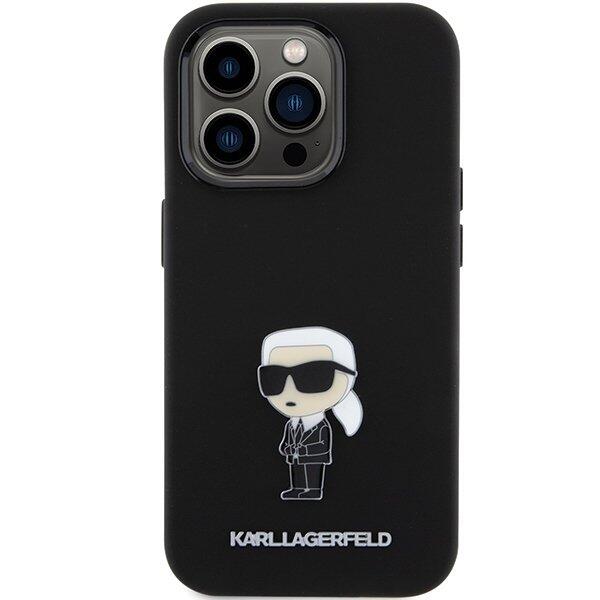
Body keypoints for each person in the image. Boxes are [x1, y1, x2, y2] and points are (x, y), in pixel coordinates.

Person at [257, 326, 363, 500]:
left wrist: (304, 449)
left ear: (346, 379)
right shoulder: (291, 425)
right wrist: (287, 448)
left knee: (312, 473)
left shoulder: (321, 426)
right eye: (275, 377)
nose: (290, 390)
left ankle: (313, 490)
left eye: (315, 377)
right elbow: (286, 441)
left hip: (313, 458)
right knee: (298, 472)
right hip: (296, 457)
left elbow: (322, 444)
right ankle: (297, 488)